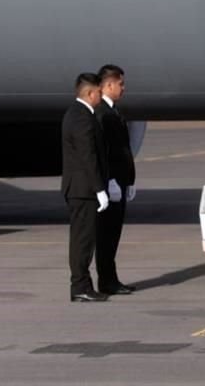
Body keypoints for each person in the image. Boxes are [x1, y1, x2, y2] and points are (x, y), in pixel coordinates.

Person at [61, 72, 111, 303]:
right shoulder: (81, 117)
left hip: (82, 188)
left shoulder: (79, 114)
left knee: (84, 239)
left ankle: (82, 285)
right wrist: (99, 188)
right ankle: (80, 286)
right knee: (82, 240)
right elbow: (87, 156)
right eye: (99, 92)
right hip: (83, 190)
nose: (101, 95)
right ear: (90, 93)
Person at [92, 64, 137, 296]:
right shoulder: (102, 114)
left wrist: (129, 180)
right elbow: (105, 152)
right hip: (111, 183)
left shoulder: (114, 112)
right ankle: (107, 281)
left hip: (120, 182)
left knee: (114, 233)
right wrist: (109, 180)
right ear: (108, 85)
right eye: (120, 84)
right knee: (107, 234)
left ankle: (111, 278)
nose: (123, 88)